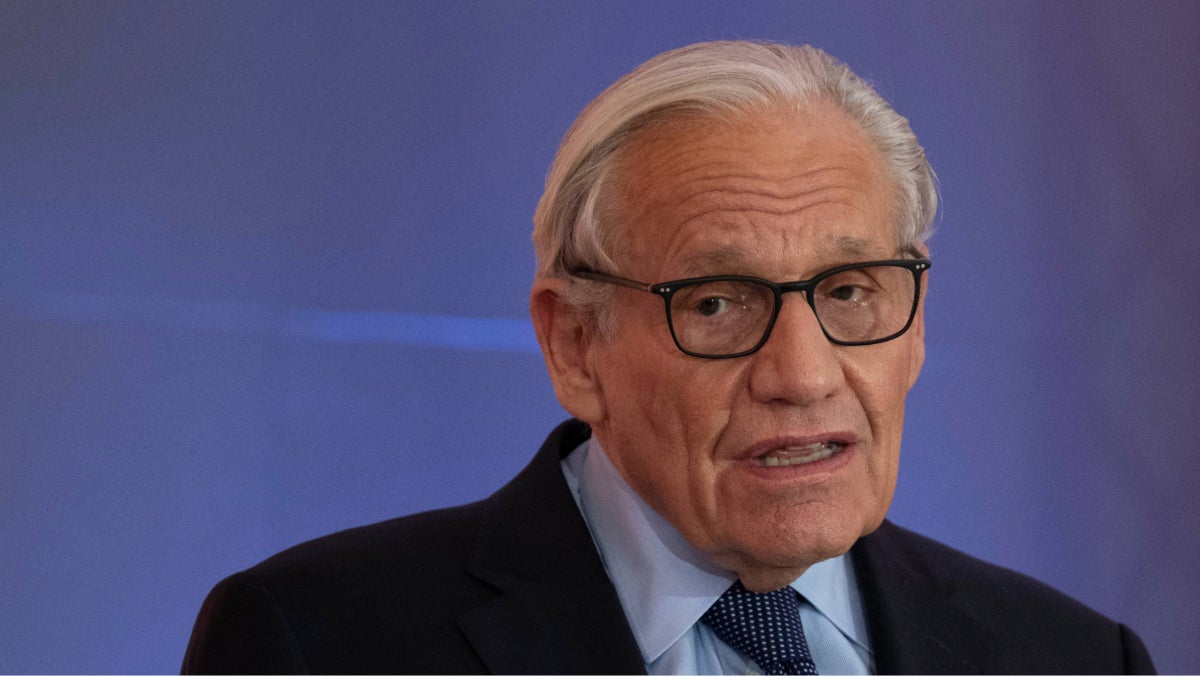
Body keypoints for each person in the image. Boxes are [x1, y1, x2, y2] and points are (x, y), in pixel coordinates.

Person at [182, 40, 1155, 674]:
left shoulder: (1073, 658)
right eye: (717, 303)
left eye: (850, 292)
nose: (804, 375)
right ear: (575, 345)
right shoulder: (319, 642)